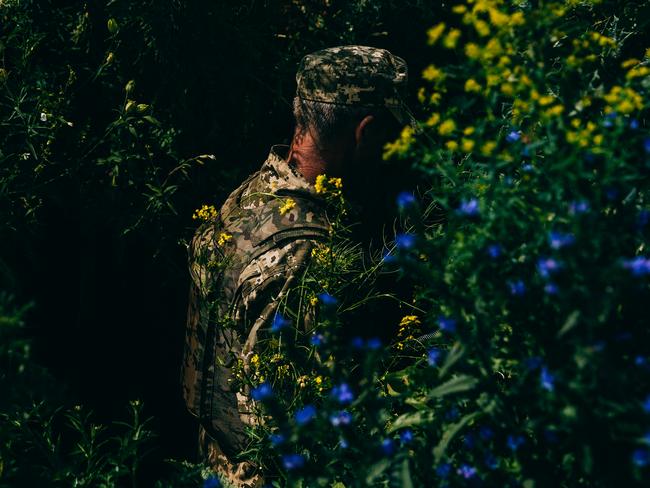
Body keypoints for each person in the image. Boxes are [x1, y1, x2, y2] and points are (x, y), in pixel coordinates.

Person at [181, 45, 419, 487]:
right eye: (391, 137)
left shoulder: (248, 197)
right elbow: (285, 427)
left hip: (211, 463)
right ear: (365, 133)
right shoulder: (303, 254)